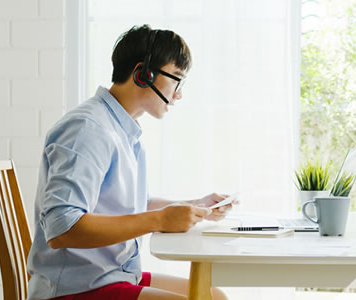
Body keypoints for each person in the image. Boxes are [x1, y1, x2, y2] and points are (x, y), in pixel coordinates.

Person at [26, 25, 232, 300]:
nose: (179, 94)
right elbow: (62, 227)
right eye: (176, 80)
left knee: (213, 295)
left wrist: (196, 204)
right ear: (143, 74)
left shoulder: (120, 128)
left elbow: (131, 206)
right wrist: (159, 219)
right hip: (78, 287)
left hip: (110, 274)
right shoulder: (88, 128)